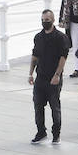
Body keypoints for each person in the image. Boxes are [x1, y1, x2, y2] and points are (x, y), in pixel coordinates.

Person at [29, 8, 69, 144]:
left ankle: (56, 134)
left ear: (52, 20)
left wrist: (57, 74)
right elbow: (34, 56)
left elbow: (63, 57)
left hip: (54, 77)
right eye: (43, 20)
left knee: (54, 106)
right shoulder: (38, 37)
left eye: (47, 20)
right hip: (40, 76)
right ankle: (41, 132)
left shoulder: (61, 37)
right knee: (38, 105)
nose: (45, 22)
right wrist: (30, 73)